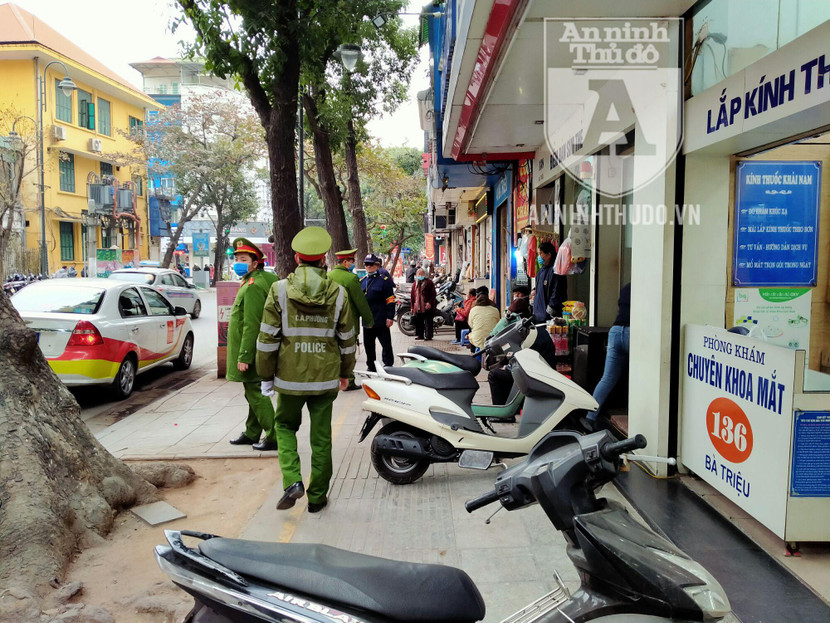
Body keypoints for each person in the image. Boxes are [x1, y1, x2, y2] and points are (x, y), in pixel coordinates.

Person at [256, 227, 356, 513]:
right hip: (325, 379)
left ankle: (292, 481)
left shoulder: (279, 290)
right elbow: (347, 341)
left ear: (297, 257)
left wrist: (266, 376)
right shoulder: (338, 293)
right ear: (324, 259)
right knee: (321, 437)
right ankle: (317, 498)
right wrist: (346, 374)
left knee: (284, 426)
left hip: (289, 379)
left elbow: (266, 339)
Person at [226, 238, 280, 451]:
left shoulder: (253, 286)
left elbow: (252, 324)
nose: (238, 263)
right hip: (260, 348)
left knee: (255, 392)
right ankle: (251, 432)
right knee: (253, 391)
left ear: (255, 263)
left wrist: (244, 356)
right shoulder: (262, 279)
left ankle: (274, 435)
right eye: (237, 258)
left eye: (244, 259)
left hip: (253, 350)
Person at [486, 296, 556, 406]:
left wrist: (509, 367)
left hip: (537, 375)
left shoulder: (531, 333)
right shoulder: (531, 328)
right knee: (500, 366)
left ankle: (504, 410)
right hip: (537, 371)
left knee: (494, 374)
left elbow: (525, 358)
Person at [584, 283, 631, 431]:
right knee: (640, 379)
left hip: (616, 331)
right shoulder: (647, 287)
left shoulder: (626, 287)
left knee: (607, 378)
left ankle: (590, 417)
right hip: (633, 332)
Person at [328, 248, 374, 390]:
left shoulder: (328, 276)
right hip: (348, 322)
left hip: (330, 322)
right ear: (346, 262)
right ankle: (349, 380)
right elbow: (360, 302)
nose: (352, 264)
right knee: (348, 351)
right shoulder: (351, 278)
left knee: (334, 351)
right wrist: (369, 320)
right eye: (352, 261)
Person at [361, 253, 395, 372]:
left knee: (386, 345)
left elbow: (390, 299)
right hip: (368, 321)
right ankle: (371, 366)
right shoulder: (362, 281)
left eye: (370, 264)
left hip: (381, 319)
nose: (368, 267)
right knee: (368, 346)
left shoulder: (384, 281)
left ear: (377, 265)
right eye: (366, 264)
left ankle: (388, 365)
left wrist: (390, 317)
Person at [532, 241, 568, 322]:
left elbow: (558, 291)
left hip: (551, 316)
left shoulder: (557, 271)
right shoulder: (540, 271)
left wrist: (551, 308)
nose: (539, 256)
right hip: (538, 315)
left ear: (548, 255)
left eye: (540, 253)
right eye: (538, 254)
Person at [467, 287, 501, 351]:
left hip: (478, 341)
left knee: (471, 332)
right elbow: (498, 324)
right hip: (492, 340)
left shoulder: (473, 309)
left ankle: (472, 352)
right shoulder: (495, 309)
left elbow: (470, 324)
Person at [411, 268, 437, 341]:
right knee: (419, 321)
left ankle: (428, 336)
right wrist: (412, 306)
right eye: (418, 274)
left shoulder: (429, 283)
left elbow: (433, 294)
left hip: (427, 305)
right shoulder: (415, 284)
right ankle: (420, 335)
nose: (420, 276)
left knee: (428, 321)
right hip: (418, 306)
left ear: (424, 274)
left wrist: (429, 303)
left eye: (421, 274)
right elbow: (412, 296)